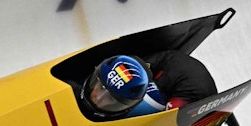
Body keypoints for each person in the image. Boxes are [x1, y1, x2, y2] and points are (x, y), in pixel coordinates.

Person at [81, 51, 216, 119]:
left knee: (168, 117)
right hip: (169, 61)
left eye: (110, 98)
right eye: (100, 87)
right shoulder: (134, 63)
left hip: (194, 88)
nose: (98, 99)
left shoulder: (189, 90)